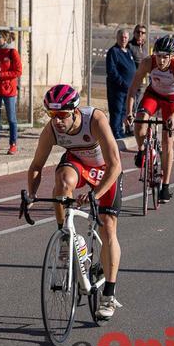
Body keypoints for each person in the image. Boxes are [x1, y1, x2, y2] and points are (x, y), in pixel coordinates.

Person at [26, 84, 123, 320]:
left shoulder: (95, 120)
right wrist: (31, 195)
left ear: (74, 111)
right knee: (62, 181)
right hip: (79, 165)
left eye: (61, 116)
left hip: (105, 169)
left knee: (108, 225)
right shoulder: (52, 130)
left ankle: (108, 294)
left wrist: (96, 194)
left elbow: (115, 165)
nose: (57, 121)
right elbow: (37, 166)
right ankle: (66, 236)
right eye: (52, 115)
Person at [125, 36, 174, 203]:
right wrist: (129, 112)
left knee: (167, 141)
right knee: (139, 125)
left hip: (171, 100)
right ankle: (141, 150)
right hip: (153, 95)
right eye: (158, 56)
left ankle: (165, 186)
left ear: (172, 56)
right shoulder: (148, 62)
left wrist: (173, 117)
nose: (161, 60)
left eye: (165, 57)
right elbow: (132, 89)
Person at [106, 28, 136, 139]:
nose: (123, 39)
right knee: (116, 112)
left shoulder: (128, 52)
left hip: (127, 90)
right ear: (117, 38)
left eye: (125, 37)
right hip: (117, 89)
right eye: (121, 37)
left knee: (124, 111)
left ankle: (120, 131)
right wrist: (122, 83)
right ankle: (115, 133)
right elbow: (112, 71)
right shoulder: (113, 52)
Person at [127, 24, 147, 134]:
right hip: (131, 81)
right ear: (134, 33)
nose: (140, 34)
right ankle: (128, 127)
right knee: (131, 104)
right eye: (138, 32)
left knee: (138, 105)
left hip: (141, 82)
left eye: (143, 33)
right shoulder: (130, 46)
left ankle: (133, 126)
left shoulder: (143, 48)